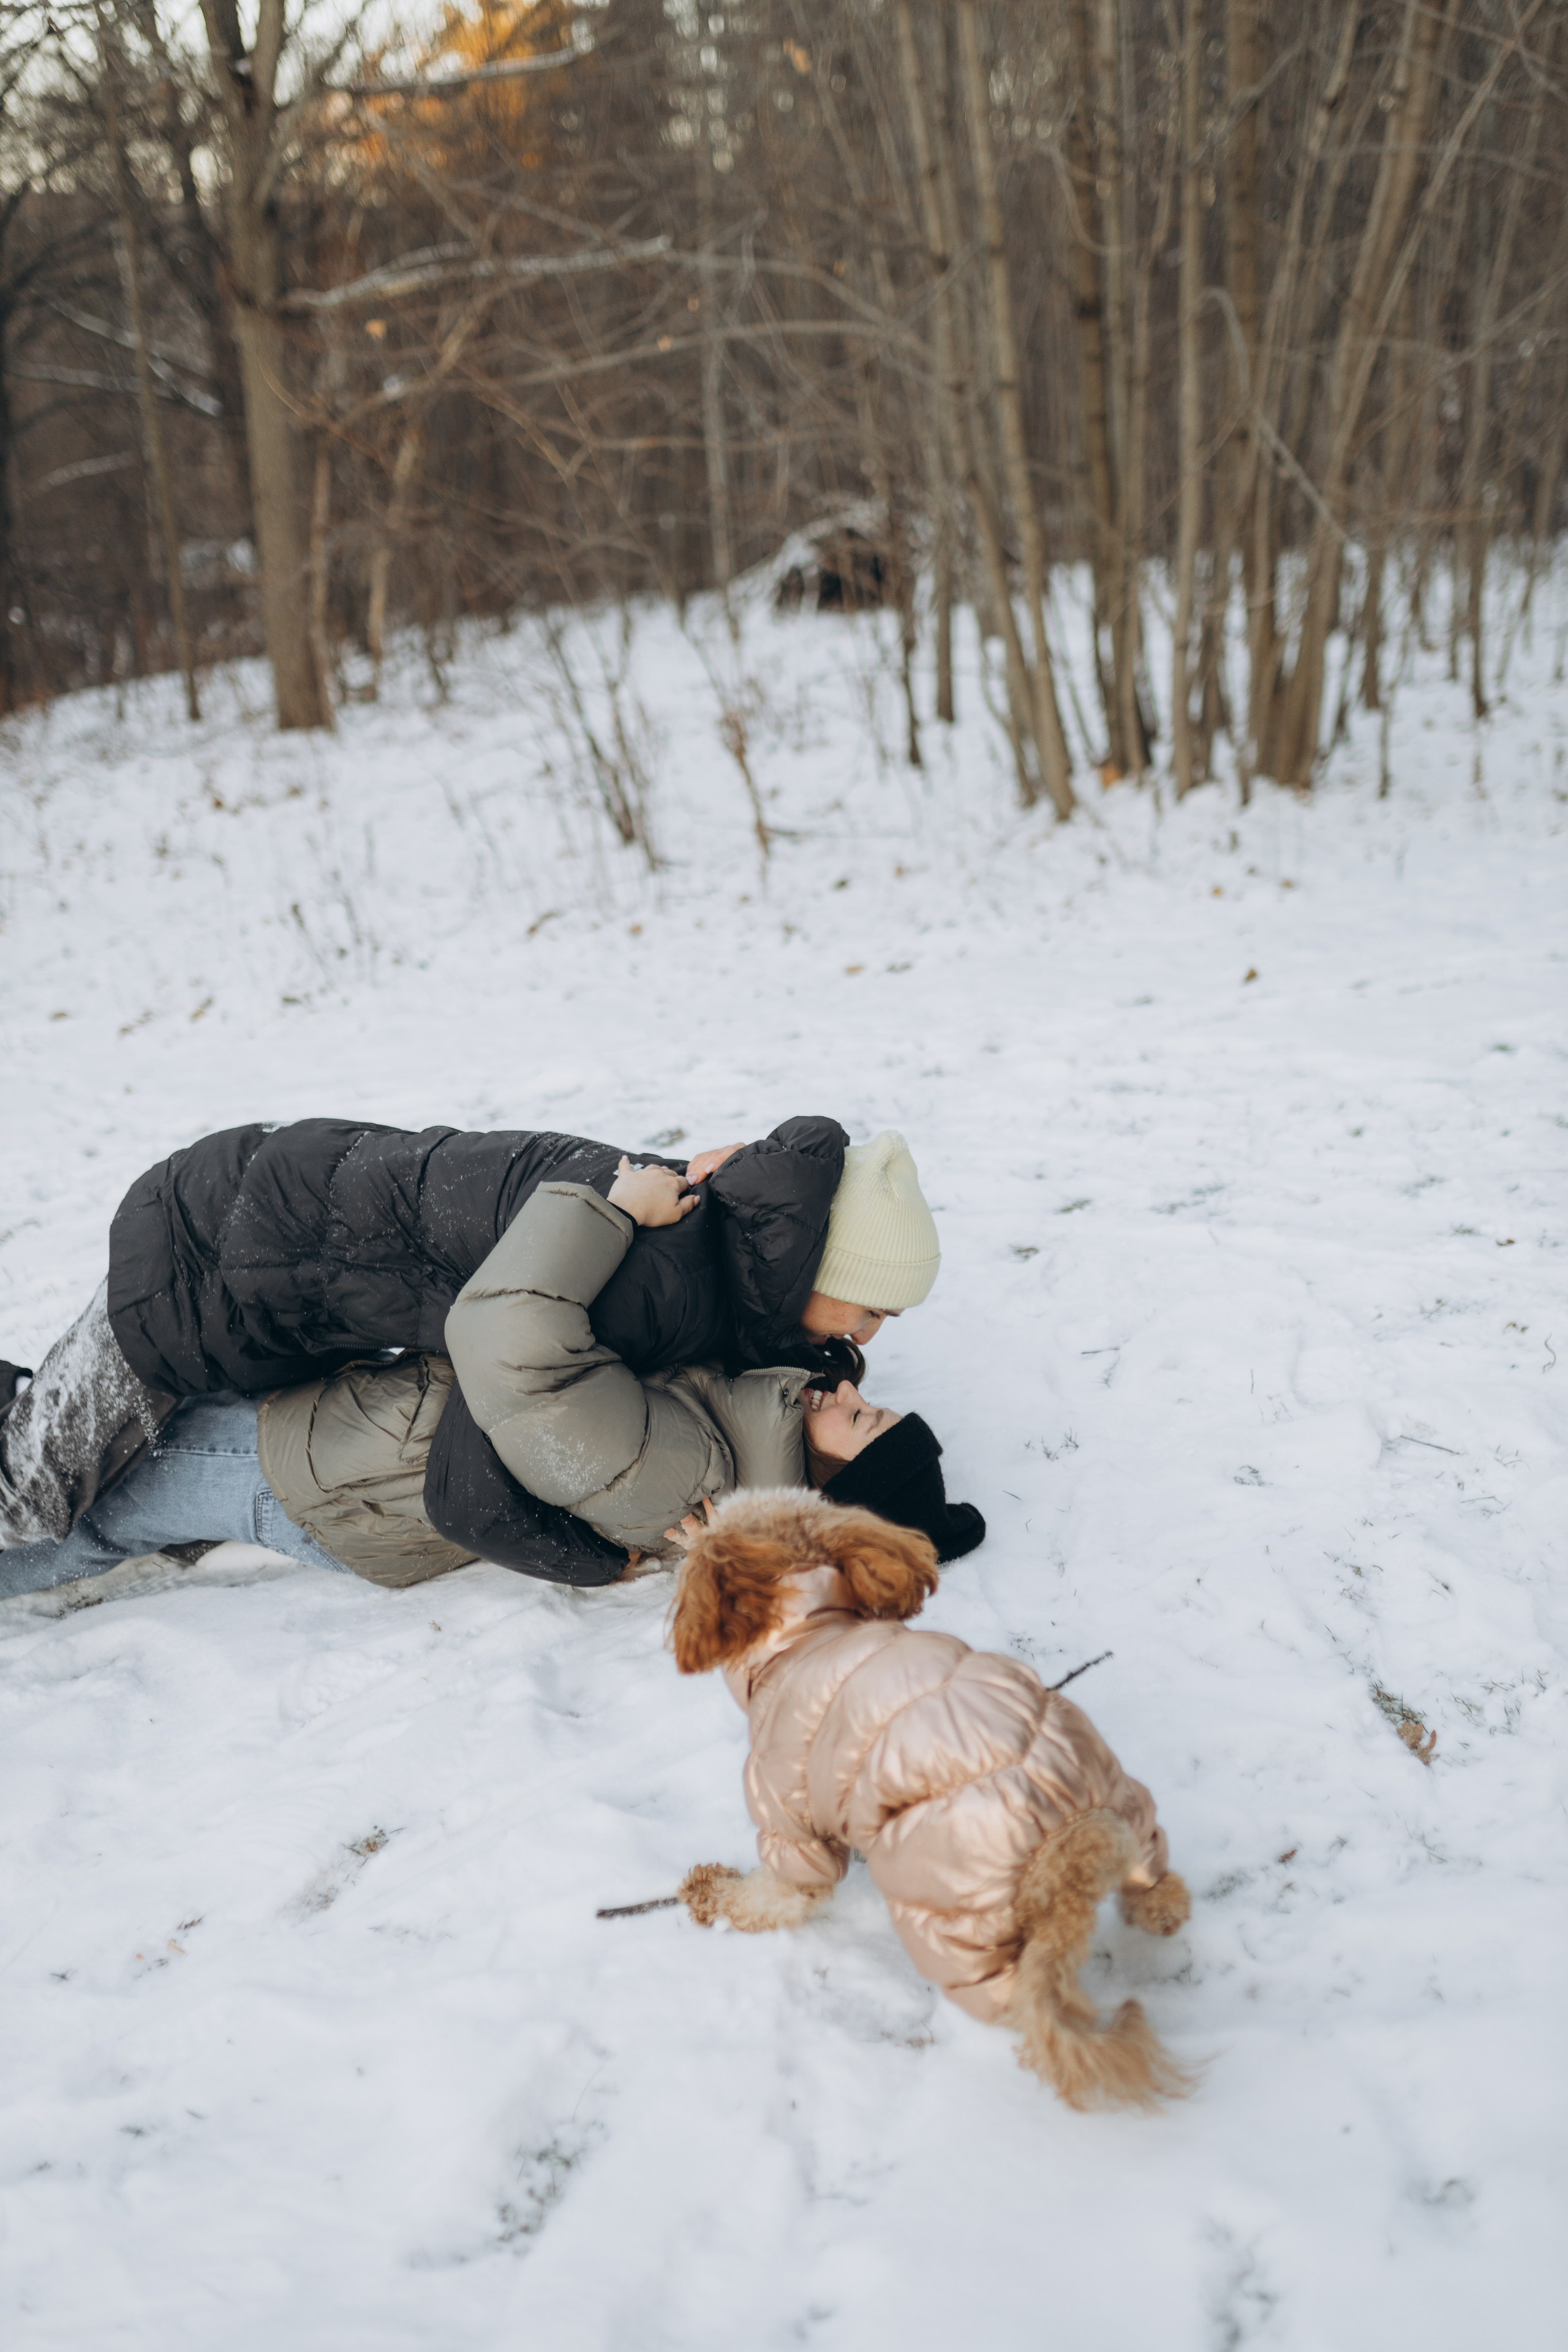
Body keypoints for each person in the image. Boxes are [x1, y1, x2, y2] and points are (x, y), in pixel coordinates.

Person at [1, 1159, 982, 1604]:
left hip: (328, 1477)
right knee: (97, 1454)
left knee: (97, 1512)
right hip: (354, 1433)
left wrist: (605, 1212)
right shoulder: (746, 1431)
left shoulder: (689, 1473)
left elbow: (510, 1341)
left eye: (863, 1420)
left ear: (831, 1486)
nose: (850, 1389)